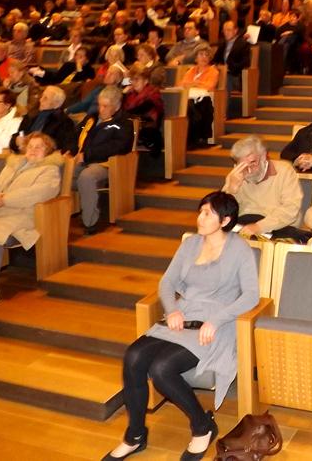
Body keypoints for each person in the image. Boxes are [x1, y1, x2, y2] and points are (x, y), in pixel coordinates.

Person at [104, 191, 259, 461]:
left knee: (162, 368)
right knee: (133, 357)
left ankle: (202, 426)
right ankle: (135, 435)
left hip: (215, 325)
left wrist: (217, 319)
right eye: (200, 211)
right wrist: (172, 309)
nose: (200, 217)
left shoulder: (239, 249)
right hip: (183, 316)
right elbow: (167, 283)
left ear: (224, 220)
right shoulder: (190, 244)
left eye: (207, 214)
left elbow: (251, 296)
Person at [0, 133, 62, 309]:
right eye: (30, 146)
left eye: (39, 147)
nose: (33, 150)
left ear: (48, 151)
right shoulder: (13, 165)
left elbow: (39, 193)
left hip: (22, 216)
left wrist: (4, 199)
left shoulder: (49, 170)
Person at [73, 86, 135, 234]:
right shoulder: (92, 118)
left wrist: (87, 155)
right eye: (99, 104)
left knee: (86, 177)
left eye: (105, 106)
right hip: (84, 159)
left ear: (117, 106)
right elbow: (75, 134)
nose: (101, 109)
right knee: (60, 172)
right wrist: (70, 150)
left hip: (106, 163)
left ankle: (90, 222)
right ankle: (58, 216)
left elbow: (116, 147)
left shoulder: (123, 123)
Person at [221, 135, 303, 240]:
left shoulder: (284, 170)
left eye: (253, 162)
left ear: (264, 156)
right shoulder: (235, 176)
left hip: (277, 226)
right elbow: (222, 213)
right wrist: (231, 191)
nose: (249, 170)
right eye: (243, 165)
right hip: (244, 224)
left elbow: (290, 209)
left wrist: (259, 227)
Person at [9, 86, 77, 154]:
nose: (40, 100)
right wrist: (16, 141)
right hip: (24, 154)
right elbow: (19, 134)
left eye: (45, 98)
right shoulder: (31, 116)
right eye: (42, 96)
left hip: (46, 158)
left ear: (57, 104)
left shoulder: (64, 122)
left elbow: (68, 147)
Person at [180, 46, 220, 147]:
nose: (204, 57)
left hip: (204, 101)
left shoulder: (213, 71)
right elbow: (182, 84)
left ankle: (191, 139)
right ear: (196, 58)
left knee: (189, 107)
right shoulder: (191, 71)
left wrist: (193, 84)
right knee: (185, 106)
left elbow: (209, 86)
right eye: (201, 55)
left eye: (206, 55)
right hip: (189, 98)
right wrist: (197, 83)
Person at [123, 67, 164, 154]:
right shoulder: (131, 95)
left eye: (136, 80)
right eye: (132, 80)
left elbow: (140, 110)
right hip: (133, 127)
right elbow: (122, 109)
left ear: (146, 81)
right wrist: (123, 94)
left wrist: (123, 115)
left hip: (148, 128)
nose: (133, 83)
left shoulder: (153, 93)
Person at [213, 21, 251, 91]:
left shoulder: (243, 44)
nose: (226, 33)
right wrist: (217, 66)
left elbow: (245, 63)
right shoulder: (222, 44)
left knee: (224, 78)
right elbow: (215, 60)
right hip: (221, 73)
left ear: (235, 31)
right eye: (224, 30)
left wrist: (229, 68)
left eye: (229, 30)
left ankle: (224, 102)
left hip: (235, 75)